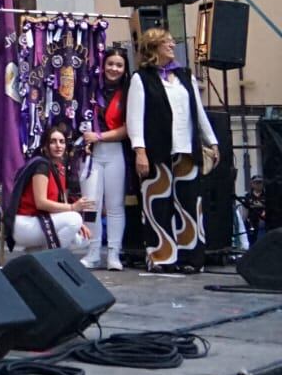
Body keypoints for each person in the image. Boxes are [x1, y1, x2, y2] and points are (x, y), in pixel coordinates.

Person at [127, 28, 218, 272]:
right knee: (157, 205)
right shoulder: (141, 78)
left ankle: (191, 259)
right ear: (153, 48)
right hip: (157, 150)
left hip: (186, 149)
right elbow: (135, 118)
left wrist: (212, 141)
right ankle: (161, 257)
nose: (172, 46)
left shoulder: (184, 75)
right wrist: (140, 151)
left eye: (172, 41)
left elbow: (198, 111)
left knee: (190, 205)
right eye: (166, 42)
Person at [81, 45, 130, 270]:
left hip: (114, 151)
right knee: (91, 204)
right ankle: (92, 252)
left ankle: (113, 254)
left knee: (115, 205)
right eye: (110, 63)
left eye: (119, 65)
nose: (114, 68)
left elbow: (127, 129)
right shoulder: (90, 89)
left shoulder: (129, 92)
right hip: (89, 154)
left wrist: (98, 136)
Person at [13, 124, 93, 252]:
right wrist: (73, 208)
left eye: (61, 142)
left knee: (83, 238)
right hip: (25, 223)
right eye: (53, 142)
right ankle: (48, 258)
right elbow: (41, 203)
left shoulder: (59, 168)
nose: (58, 146)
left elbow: (61, 203)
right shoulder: (42, 166)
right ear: (45, 146)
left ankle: (36, 254)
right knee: (74, 220)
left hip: (38, 222)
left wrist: (80, 225)